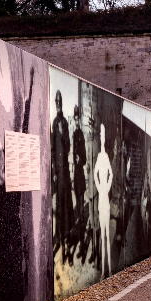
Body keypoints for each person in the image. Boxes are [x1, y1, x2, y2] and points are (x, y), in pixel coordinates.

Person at [50, 91, 73, 261]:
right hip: (57, 172)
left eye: (60, 103)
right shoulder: (54, 122)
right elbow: (52, 148)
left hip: (65, 171)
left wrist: (62, 132)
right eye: (56, 103)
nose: (58, 105)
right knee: (57, 206)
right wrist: (53, 172)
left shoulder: (64, 123)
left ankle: (65, 241)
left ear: (62, 104)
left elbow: (67, 146)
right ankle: (58, 238)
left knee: (65, 205)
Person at [93, 124, 113, 278]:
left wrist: (106, 187)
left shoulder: (105, 157)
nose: (102, 138)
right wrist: (100, 188)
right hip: (102, 197)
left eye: (104, 135)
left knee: (107, 235)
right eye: (101, 135)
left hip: (105, 195)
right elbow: (95, 174)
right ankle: (104, 271)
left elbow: (111, 174)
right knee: (102, 234)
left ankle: (110, 269)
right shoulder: (100, 157)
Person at [71, 105, 87, 262]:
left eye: (78, 119)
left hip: (81, 174)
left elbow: (85, 158)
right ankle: (78, 233)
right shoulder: (74, 134)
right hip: (75, 175)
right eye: (75, 120)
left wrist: (80, 160)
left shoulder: (81, 134)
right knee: (77, 205)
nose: (76, 122)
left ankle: (83, 241)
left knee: (81, 206)